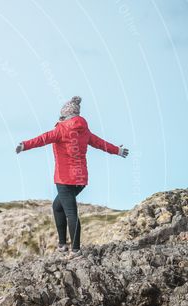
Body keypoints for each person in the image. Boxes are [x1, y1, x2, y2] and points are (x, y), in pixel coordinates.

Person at [16, 96, 129, 257]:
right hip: (80, 179)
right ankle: (63, 245)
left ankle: (75, 250)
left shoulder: (60, 130)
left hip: (64, 178)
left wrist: (24, 145)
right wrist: (117, 150)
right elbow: (100, 143)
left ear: (65, 115)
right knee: (58, 207)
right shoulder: (84, 131)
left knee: (70, 212)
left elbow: (42, 139)